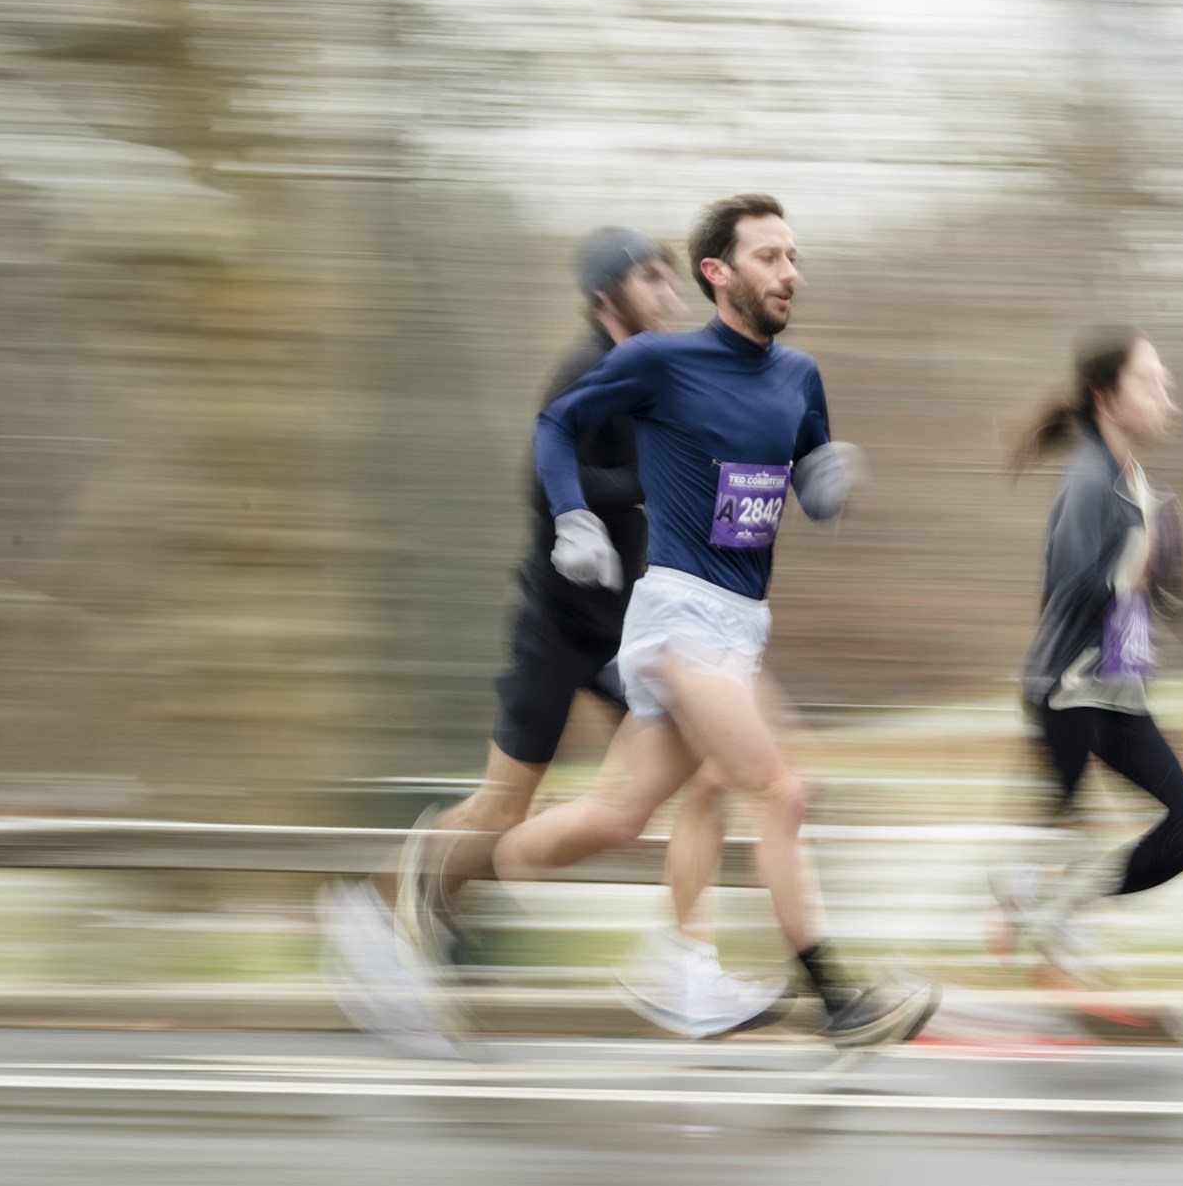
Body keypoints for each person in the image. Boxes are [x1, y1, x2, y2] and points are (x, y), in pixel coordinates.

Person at [317, 227, 788, 1053]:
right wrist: (630, 492)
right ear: (607, 295)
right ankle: (380, 907)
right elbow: (545, 469)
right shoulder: (585, 370)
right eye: (649, 278)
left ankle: (686, 964)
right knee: (502, 807)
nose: (668, 292)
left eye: (669, 277)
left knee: (708, 768)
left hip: (627, 626)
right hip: (558, 627)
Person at [493, 193, 939, 1049]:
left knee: (627, 813)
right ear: (718, 273)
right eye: (769, 257)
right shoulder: (661, 362)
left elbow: (804, 484)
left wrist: (828, 486)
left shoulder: (799, 376)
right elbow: (556, 423)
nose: (790, 272)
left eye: (794, 256)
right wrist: (574, 516)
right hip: (677, 615)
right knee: (781, 787)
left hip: (741, 623)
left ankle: (501, 865)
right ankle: (841, 1000)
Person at [990, 327, 1183, 986]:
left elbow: (1159, 595)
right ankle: (1038, 913)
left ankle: (1044, 903)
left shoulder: (1135, 482)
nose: (1165, 395)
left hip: (1114, 691)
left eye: (1165, 383)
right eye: (1149, 381)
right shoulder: (1089, 478)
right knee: (1069, 828)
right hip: (1069, 693)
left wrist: (1168, 576)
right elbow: (1069, 586)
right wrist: (1135, 566)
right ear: (1106, 396)